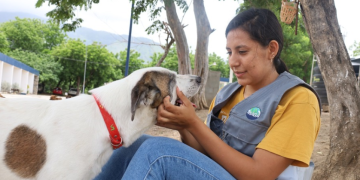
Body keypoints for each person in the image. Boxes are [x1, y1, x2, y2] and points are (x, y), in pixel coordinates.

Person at [94, 8, 321, 180]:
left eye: (242, 51)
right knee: (135, 143)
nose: (233, 61)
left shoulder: (298, 99)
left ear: (271, 49)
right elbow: (206, 153)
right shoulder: (229, 92)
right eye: (229, 52)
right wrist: (182, 124)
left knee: (159, 152)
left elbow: (259, 174)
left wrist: (194, 125)